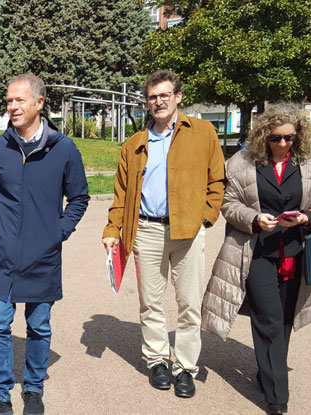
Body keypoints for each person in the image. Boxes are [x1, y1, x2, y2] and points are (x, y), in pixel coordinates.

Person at [202, 106, 311, 415]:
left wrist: (307, 217)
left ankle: (267, 375)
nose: (283, 143)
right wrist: (253, 218)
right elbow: (228, 203)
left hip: (296, 252)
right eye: (276, 138)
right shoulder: (241, 162)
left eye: (290, 137)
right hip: (256, 252)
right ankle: (277, 397)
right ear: (264, 136)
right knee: (269, 319)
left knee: (285, 320)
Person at [0, 73, 90, 415]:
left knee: (38, 326)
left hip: (43, 255)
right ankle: (0, 397)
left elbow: (79, 198)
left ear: (39, 103)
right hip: (1, 253)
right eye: (9, 101)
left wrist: (58, 232)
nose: (12, 106)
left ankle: (34, 390)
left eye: (19, 100)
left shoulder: (64, 149)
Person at [102, 70, 225, 398]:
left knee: (189, 303)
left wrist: (206, 219)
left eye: (164, 95)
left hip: (188, 230)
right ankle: (157, 359)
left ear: (178, 97)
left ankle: (184, 367)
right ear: (147, 102)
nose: (158, 101)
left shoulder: (202, 133)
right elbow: (121, 193)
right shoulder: (134, 144)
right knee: (151, 302)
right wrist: (113, 228)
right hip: (146, 230)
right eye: (152, 97)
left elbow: (217, 180)